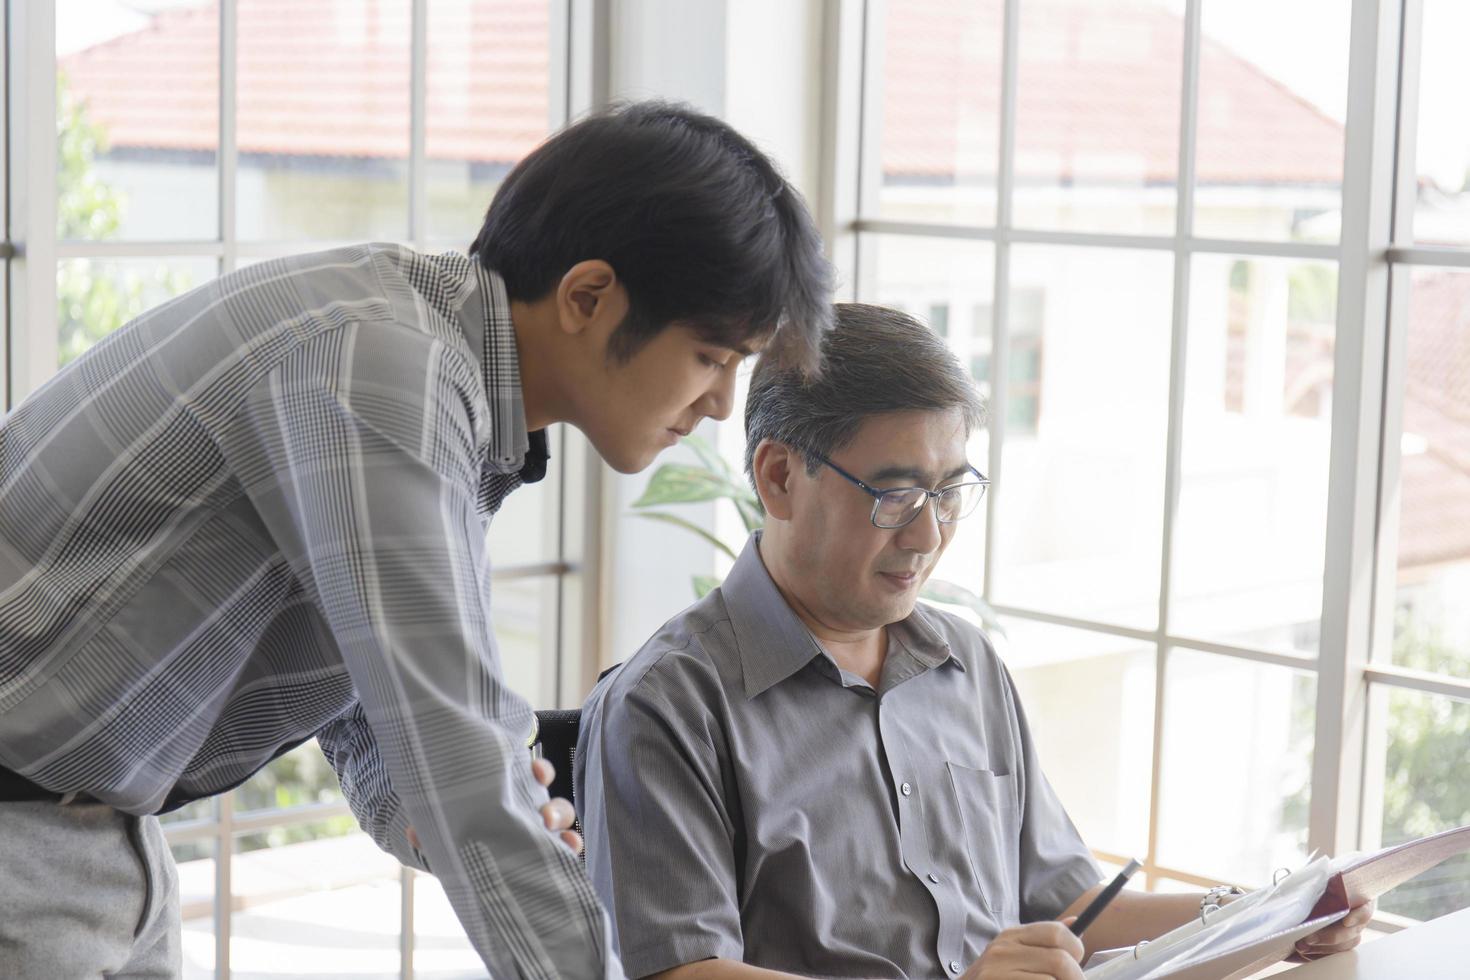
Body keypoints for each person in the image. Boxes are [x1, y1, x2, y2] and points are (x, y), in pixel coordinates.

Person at [0, 100, 832, 978]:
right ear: (588, 297)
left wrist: (480, 810)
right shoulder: (380, 372)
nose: (720, 404)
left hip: (98, 834)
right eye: (711, 356)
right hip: (27, 835)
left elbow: (382, 722)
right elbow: (454, 749)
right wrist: (479, 798)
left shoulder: (435, 375)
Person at [574, 303, 1373, 980]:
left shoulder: (963, 664)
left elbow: (1066, 910)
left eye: (951, 491)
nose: (928, 535)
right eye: (894, 494)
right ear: (779, 476)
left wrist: (1257, 917)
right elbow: (681, 974)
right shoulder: (665, 704)